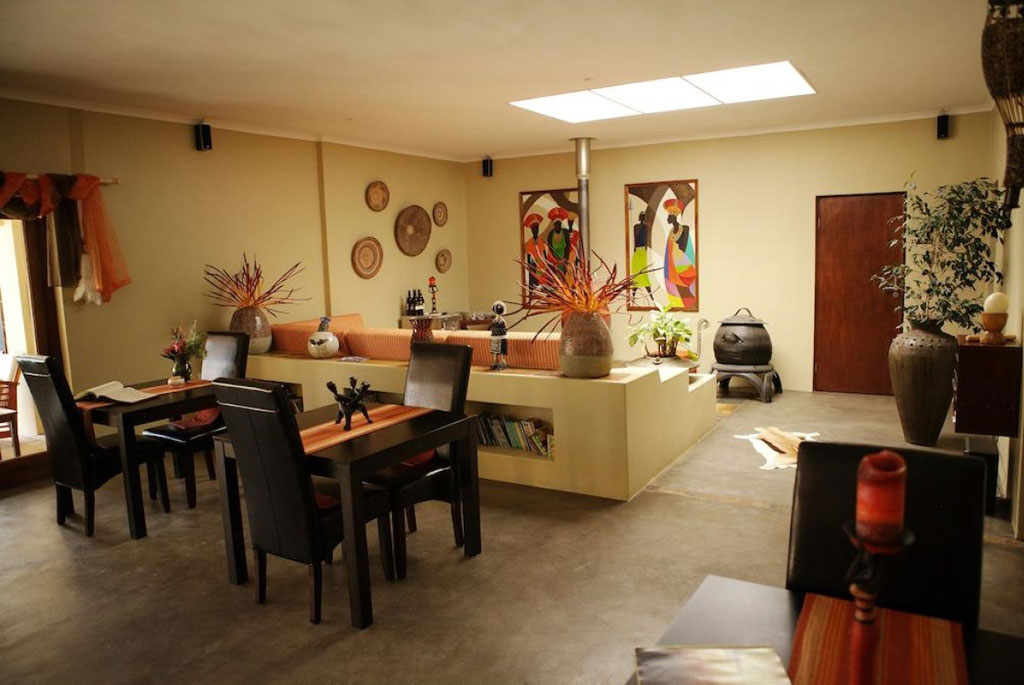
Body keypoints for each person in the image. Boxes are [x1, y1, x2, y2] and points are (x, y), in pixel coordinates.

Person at [664, 199, 697, 308]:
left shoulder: (684, 229)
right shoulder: (670, 232)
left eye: (669, 217)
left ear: (674, 217)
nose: (667, 219)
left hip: (682, 261)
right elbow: (668, 250)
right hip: (672, 263)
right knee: (674, 283)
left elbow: (683, 247)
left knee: (689, 277)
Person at [522, 212, 548, 294]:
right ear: (532, 230)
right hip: (533, 265)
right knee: (533, 282)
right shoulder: (529, 242)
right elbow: (528, 257)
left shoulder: (541, 241)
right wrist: (531, 266)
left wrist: (545, 265)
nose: (535, 231)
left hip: (541, 266)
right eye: (534, 229)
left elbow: (544, 254)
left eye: (536, 228)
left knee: (542, 283)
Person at [631, 210, 653, 299]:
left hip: (642, 251)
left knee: (643, 272)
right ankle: (633, 295)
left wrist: (645, 251)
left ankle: (651, 296)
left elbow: (646, 240)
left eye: (643, 216)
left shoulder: (645, 227)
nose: (641, 218)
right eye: (641, 216)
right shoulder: (635, 227)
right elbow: (635, 239)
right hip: (637, 251)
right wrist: (635, 251)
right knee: (636, 272)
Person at [489, 301, 509, 370]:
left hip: (494, 338)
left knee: (495, 351)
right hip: (502, 337)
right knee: (502, 351)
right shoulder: (503, 320)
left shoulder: (494, 320)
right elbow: (506, 328)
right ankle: (502, 362)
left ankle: (495, 362)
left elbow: (492, 328)